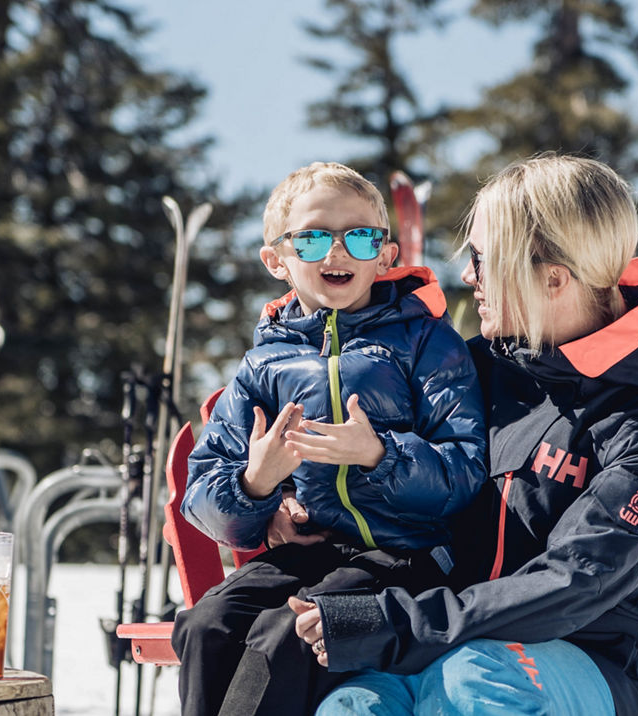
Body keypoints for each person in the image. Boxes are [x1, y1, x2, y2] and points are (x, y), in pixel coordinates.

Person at [290, 153, 638, 716]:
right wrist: (289, 498)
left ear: (552, 278)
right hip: (437, 642)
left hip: (599, 662)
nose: (468, 276)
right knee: (352, 704)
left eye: (482, 259)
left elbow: (575, 580)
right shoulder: (472, 372)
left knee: (477, 681)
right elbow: (376, 458)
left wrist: (398, 623)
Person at [173, 162, 486, 716]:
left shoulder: (425, 342)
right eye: (314, 237)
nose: (336, 253)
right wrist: (256, 483)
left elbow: (464, 469)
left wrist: (380, 456)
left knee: (288, 632)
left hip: (406, 556)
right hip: (311, 551)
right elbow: (203, 496)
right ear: (277, 260)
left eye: (361, 236)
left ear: (387, 255)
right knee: (208, 623)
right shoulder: (264, 363)